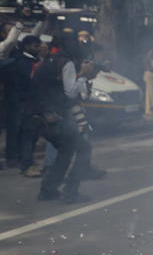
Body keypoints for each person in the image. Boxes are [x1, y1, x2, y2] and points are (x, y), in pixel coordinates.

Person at [21, 34, 99, 202]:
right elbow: (70, 93)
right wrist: (84, 75)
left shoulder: (52, 60)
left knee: (67, 148)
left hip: (36, 116)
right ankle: (70, 192)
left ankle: (48, 190)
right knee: (83, 148)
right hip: (49, 116)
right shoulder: (67, 63)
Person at [3, 35, 42, 173]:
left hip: (34, 102)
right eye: (35, 46)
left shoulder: (38, 61)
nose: (39, 49)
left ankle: (26, 159)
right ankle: (21, 161)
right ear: (27, 47)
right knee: (22, 132)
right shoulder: (20, 63)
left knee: (31, 132)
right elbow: (24, 83)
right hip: (22, 102)